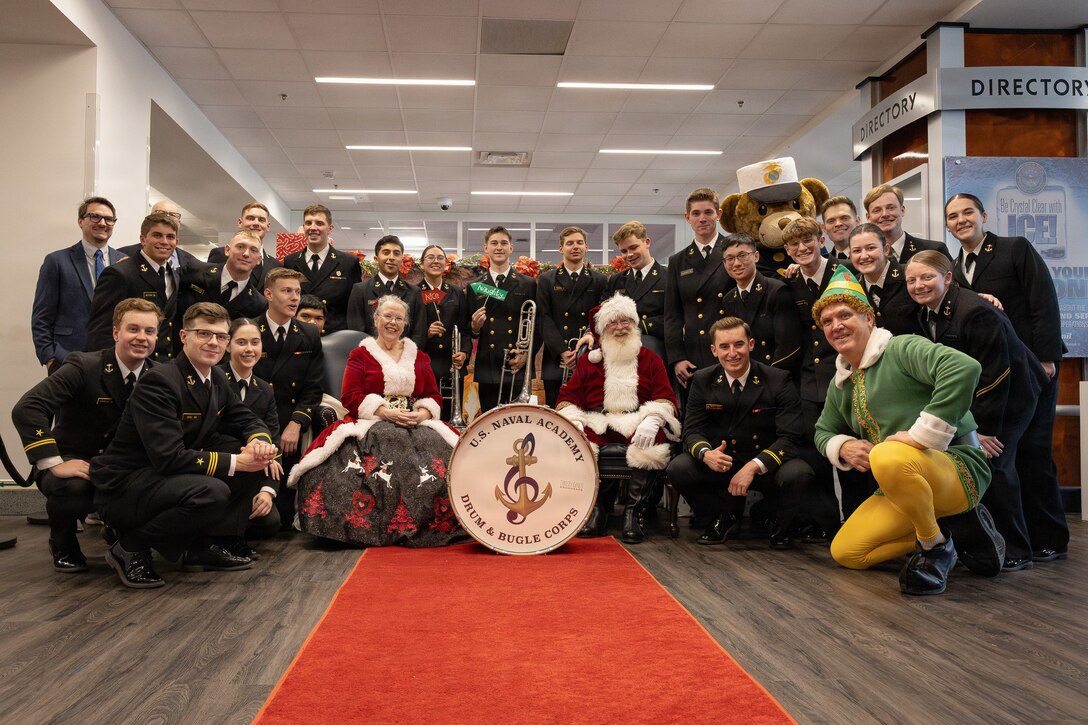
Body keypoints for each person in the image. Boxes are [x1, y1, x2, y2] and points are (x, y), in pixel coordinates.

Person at [812, 267, 1003, 595]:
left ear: (869, 320)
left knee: (885, 454)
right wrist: (841, 446)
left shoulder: (901, 348)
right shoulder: (840, 382)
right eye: (827, 322)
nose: (835, 325)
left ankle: (933, 547)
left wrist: (921, 436)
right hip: (902, 484)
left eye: (844, 315)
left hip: (956, 466)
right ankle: (949, 528)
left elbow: (963, 367)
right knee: (847, 552)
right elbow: (822, 431)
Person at [91, 302, 279, 588]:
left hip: (165, 478)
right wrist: (237, 462)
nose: (213, 342)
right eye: (204, 334)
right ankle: (129, 547)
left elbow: (245, 419)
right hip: (127, 485)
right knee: (213, 490)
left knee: (243, 458)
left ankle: (197, 547)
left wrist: (259, 442)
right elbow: (168, 457)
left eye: (221, 336)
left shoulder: (214, 376)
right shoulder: (160, 382)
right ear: (183, 337)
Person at [905, 251, 1049, 571]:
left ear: (947, 278)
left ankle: (1016, 549)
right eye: (911, 280)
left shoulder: (974, 312)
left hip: (1013, 394)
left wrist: (985, 430)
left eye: (927, 277)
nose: (918, 285)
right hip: (984, 397)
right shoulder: (927, 311)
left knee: (995, 466)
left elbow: (995, 375)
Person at [946, 192, 1069, 563]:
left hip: (1034, 370)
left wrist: (1046, 358)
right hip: (995, 377)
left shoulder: (1015, 248)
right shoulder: (953, 266)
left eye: (967, 212)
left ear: (983, 215)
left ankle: (1050, 537)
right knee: (1004, 459)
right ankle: (1015, 538)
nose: (961, 220)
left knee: (1034, 454)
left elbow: (1043, 301)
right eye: (953, 216)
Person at [287, 296, 463, 547]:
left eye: (399, 318)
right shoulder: (360, 355)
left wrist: (423, 414)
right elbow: (350, 396)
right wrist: (384, 412)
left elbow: (433, 396)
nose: (392, 322)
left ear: (406, 323)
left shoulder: (419, 356)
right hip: (372, 422)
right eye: (387, 316)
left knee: (449, 459)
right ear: (376, 319)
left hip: (415, 422)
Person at [13, 299, 161, 573]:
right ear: (116, 332)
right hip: (76, 460)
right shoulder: (84, 366)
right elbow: (28, 407)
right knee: (72, 489)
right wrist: (54, 462)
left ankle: (121, 534)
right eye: (133, 329)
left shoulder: (160, 374)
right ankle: (63, 542)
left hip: (123, 467)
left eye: (149, 331)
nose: (142, 337)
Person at [666, 317, 815, 549]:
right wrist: (706, 454)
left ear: (751, 345)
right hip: (722, 463)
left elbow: (790, 437)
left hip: (765, 464)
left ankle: (777, 522)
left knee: (799, 473)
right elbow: (692, 431)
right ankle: (722, 516)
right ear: (714, 350)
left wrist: (754, 465)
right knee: (679, 468)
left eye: (739, 344)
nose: (732, 353)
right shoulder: (703, 380)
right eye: (724, 347)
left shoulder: (778, 380)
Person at [555, 295, 681, 543]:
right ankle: (598, 509)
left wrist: (653, 418)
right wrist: (574, 419)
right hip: (599, 422)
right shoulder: (588, 363)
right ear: (602, 329)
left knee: (651, 438)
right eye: (613, 322)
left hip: (637, 421)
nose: (621, 327)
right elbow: (567, 396)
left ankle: (634, 513)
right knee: (579, 440)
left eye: (626, 321)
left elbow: (665, 396)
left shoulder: (650, 359)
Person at [780, 217, 851, 536]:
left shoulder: (844, 272)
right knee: (817, 454)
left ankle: (855, 521)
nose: (801, 248)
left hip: (845, 375)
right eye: (794, 244)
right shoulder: (791, 280)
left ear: (821, 239)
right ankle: (824, 525)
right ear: (787, 250)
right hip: (809, 380)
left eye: (807, 240)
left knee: (850, 453)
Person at [256, 267, 326, 527]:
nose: (294, 298)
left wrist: (297, 423)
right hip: (255, 420)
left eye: (297, 291)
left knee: (282, 519)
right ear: (268, 294)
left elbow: (313, 387)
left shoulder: (308, 334)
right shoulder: (250, 330)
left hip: (289, 421)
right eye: (286, 291)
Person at [32, 196, 128, 372]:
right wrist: (50, 358)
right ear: (80, 221)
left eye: (108, 219)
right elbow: (41, 316)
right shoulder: (57, 261)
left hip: (113, 359)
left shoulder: (124, 263)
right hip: (66, 358)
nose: (102, 223)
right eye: (95, 216)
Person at [86, 212, 186, 361]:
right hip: (130, 364)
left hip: (164, 367)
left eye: (170, 237)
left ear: (176, 242)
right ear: (143, 239)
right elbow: (101, 330)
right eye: (157, 235)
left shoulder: (175, 275)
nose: (164, 242)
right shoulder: (120, 273)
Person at [664, 188, 734, 394]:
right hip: (693, 353)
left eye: (708, 212)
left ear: (718, 215)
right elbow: (672, 315)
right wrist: (677, 358)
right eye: (696, 213)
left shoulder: (733, 251)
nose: (702, 218)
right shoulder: (678, 261)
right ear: (687, 218)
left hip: (730, 347)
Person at [466, 226, 540, 413]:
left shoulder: (527, 283)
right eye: (494, 243)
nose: (499, 247)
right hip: (488, 365)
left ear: (511, 248)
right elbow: (468, 328)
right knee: (490, 424)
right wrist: (474, 327)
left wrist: (526, 355)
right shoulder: (475, 286)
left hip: (517, 363)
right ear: (486, 248)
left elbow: (537, 326)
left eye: (503, 243)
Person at [536, 226, 607, 407]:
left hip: (589, 354)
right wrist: (563, 352)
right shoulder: (547, 279)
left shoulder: (599, 280)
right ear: (561, 249)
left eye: (579, 242)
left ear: (586, 247)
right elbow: (544, 317)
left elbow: (602, 316)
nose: (575, 247)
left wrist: (590, 335)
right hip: (556, 358)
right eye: (570, 243)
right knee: (557, 413)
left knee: (590, 413)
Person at [719, 233, 802, 375]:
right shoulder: (729, 299)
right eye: (730, 258)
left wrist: (770, 379)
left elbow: (788, 347)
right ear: (724, 263)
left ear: (756, 256)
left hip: (777, 377)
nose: (737, 263)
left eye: (742, 255)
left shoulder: (777, 290)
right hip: (745, 377)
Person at [282, 204, 362, 334]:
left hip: (335, 336)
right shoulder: (290, 261)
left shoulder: (348, 262)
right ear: (303, 228)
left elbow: (354, 307)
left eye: (319, 223)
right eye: (308, 223)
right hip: (299, 335)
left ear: (330, 228)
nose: (313, 227)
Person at [415, 244, 471, 422]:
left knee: (449, 421)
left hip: (452, 367)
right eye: (430, 257)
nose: (435, 261)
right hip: (425, 367)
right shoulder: (414, 293)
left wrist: (464, 352)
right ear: (422, 264)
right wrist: (426, 333)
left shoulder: (456, 292)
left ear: (446, 264)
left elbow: (465, 328)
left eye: (440, 258)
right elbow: (407, 332)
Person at [607, 221, 667, 358]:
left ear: (646, 242)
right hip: (619, 351)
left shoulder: (668, 277)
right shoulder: (616, 280)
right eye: (624, 251)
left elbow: (673, 317)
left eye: (633, 247)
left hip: (655, 348)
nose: (629, 254)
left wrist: (636, 326)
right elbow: (603, 312)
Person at [346, 234, 423, 341]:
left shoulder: (414, 292)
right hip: (369, 355)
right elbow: (356, 331)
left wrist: (407, 355)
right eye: (386, 252)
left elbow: (419, 333)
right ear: (376, 258)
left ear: (402, 260)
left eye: (396, 254)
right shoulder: (360, 290)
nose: (391, 257)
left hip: (405, 355)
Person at [180, 230, 269, 320]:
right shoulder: (196, 272)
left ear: (259, 259)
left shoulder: (259, 303)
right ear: (227, 250)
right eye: (240, 247)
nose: (246, 254)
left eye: (253, 250)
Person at [847, 223, 915, 334]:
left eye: (871, 248)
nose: (863, 256)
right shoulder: (851, 286)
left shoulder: (910, 276)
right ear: (850, 255)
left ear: (886, 249)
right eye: (857, 251)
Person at [863, 184, 951, 265]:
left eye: (891, 208)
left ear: (902, 210)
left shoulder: (934, 250)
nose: (885, 214)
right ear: (868, 217)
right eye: (877, 210)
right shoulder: (862, 261)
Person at [207, 201, 282, 287]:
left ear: (268, 226)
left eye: (261, 220)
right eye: (250, 218)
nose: (256, 223)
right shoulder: (219, 254)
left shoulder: (276, 266)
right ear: (240, 222)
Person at [116, 199, 201, 270]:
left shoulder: (191, 261)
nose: (167, 218)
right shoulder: (123, 254)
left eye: (172, 215)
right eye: (161, 213)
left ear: (179, 223)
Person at [820, 196, 860, 262]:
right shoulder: (823, 264)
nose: (838, 224)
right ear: (824, 228)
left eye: (844, 218)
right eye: (831, 221)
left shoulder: (870, 260)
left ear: (857, 221)